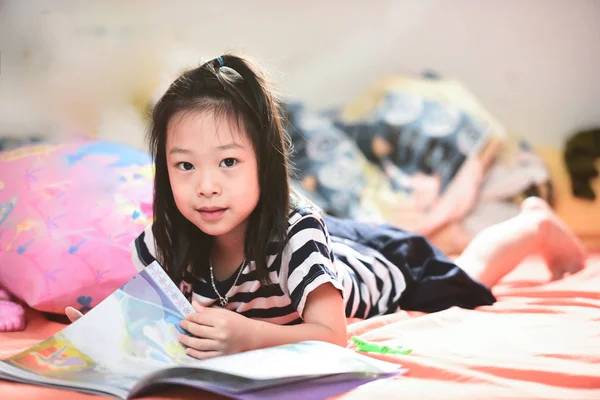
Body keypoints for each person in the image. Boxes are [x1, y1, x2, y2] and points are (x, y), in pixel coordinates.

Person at [66, 54, 587, 359]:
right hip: (321, 239)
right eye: (185, 167)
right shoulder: (163, 240)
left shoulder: (294, 234)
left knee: (467, 277)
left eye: (227, 162)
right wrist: (106, 333)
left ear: (265, 165)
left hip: (380, 268)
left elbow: (332, 335)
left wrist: (247, 335)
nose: (205, 186)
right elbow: (151, 323)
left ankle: (534, 222)